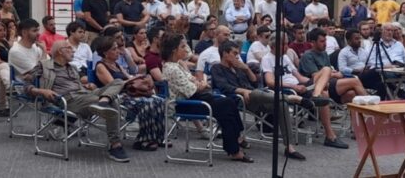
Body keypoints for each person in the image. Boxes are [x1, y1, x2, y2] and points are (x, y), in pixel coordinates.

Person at [23, 40, 129, 162]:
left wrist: (87, 87)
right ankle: (115, 145)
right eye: (69, 48)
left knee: (118, 82)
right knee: (113, 102)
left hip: (84, 94)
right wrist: (42, 91)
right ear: (60, 51)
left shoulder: (72, 67)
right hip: (68, 99)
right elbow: (25, 84)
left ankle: (103, 101)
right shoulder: (44, 65)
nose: (73, 50)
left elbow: (78, 86)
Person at [162, 34, 253, 162]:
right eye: (182, 46)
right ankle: (235, 146)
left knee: (228, 103)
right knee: (227, 104)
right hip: (186, 104)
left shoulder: (178, 65)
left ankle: (235, 142)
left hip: (196, 99)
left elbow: (194, 81)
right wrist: (201, 83)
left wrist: (199, 83)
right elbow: (193, 89)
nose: (186, 49)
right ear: (174, 51)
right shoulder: (172, 68)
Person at [211, 41, 306, 159]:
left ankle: (289, 147)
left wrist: (246, 69)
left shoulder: (239, 68)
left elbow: (255, 83)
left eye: (238, 53)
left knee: (281, 104)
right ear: (225, 54)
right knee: (255, 93)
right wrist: (243, 91)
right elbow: (224, 87)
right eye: (234, 53)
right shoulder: (216, 68)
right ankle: (291, 98)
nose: (237, 56)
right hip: (238, 100)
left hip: (257, 97)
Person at [262, 36, 350, 149]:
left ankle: (316, 94)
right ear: (273, 47)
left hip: (299, 86)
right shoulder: (267, 59)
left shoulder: (285, 57)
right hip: (287, 90)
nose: (286, 47)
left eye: (286, 44)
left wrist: (316, 82)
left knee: (326, 71)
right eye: (283, 44)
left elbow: (299, 77)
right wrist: (294, 86)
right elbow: (270, 82)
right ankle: (330, 136)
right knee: (324, 94)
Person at [93, 35, 166, 151]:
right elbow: (114, 85)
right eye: (114, 49)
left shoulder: (116, 65)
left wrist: (137, 78)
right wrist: (131, 80)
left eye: (117, 48)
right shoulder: (101, 66)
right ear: (105, 53)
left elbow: (129, 76)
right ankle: (143, 139)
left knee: (159, 101)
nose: (118, 51)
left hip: (130, 93)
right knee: (148, 103)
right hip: (118, 96)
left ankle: (156, 136)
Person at [336, 29, 390, 98]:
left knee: (381, 84)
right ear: (349, 41)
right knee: (377, 71)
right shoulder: (343, 52)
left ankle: (379, 104)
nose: (359, 41)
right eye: (356, 39)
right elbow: (342, 69)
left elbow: (370, 63)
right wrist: (356, 70)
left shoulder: (363, 51)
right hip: (354, 77)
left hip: (367, 76)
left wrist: (368, 68)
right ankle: (400, 92)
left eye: (359, 38)